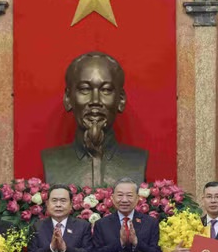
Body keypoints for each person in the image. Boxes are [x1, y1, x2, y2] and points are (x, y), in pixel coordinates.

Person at [41, 52, 148, 187]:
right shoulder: (52, 160)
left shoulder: (138, 160)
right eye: (85, 89)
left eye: (106, 90)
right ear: (68, 99)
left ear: (121, 100)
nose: (95, 101)